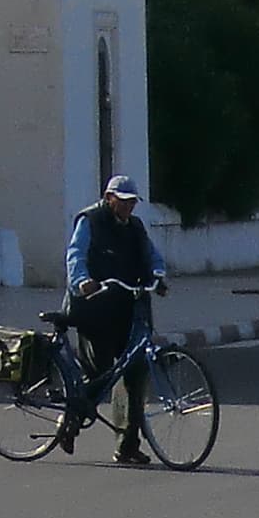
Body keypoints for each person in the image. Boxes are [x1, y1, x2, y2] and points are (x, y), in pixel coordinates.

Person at [55, 174, 167, 465]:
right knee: (100, 375)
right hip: (95, 310)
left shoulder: (136, 227)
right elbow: (75, 256)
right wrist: (82, 282)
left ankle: (127, 444)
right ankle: (69, 422)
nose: (129, 207)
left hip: (128, 310)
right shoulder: (90, 221)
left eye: (132, 202)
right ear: (109, 199)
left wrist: (159, 274)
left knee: (135, 373)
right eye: (124, 201)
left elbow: (152, 255)